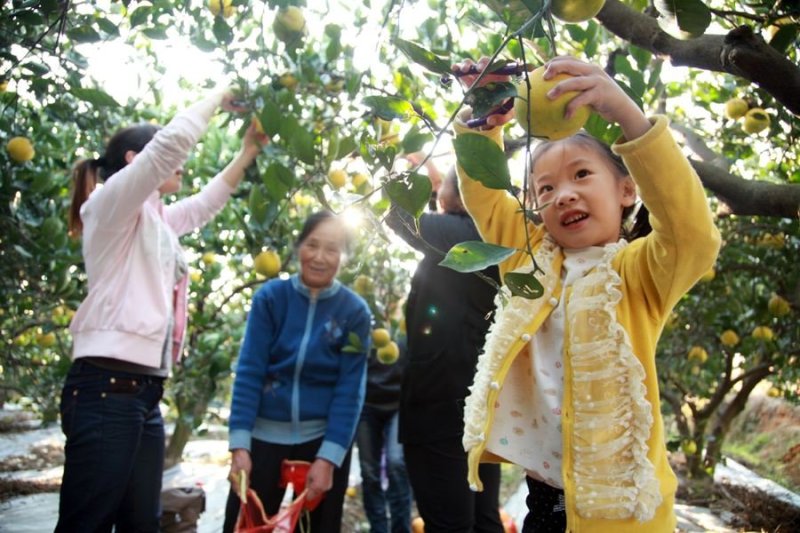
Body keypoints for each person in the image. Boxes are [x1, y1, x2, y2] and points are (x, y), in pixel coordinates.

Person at [452, 56, 722, 532]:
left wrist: (627, 115)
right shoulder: (531, 258)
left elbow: (692, 233)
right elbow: (486, 200)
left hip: (622, 514)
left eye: (581, 175)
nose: (564, 195)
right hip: (543, 505)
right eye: (546, 188)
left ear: (625, 190)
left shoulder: (637, 272)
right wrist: (480, 116)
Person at [57, 89, 266, 532]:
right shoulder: (110, 205)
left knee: (142, 523)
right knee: (87, 522)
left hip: (143, 393)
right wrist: (215, 99)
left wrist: (247, 152)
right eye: (160, 153)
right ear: (136, 161)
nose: (179, 161)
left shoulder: (155, 222)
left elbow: (204, 205)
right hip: (105, 389)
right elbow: (170, 145)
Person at [224, 210, 373, 533]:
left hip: (320, 442)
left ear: (344, 256)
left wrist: (330, 457)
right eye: (312, 245)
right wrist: (239, 445)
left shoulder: (355, 313)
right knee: (244, 526)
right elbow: (250, 371)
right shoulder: (271, 299)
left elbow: (350, 391)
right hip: (262, 439)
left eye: (332, 249)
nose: (319, 257)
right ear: (298, 246)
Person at [386, 169, 505, 533]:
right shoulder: (498, 240)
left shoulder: (463, 234)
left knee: (450, 524)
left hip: (442, 407)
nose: (437, 195)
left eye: (443, 188)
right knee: (483, 520)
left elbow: (400, 216)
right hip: (473, 404)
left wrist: (404, 173)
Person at [355, 333, 412, 533]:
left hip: (399, 403)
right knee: (369, 472)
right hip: (366, 405)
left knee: (397, 464)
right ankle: (378, 528)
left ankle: (401, 528)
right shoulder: (365, 314)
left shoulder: (403, 318)